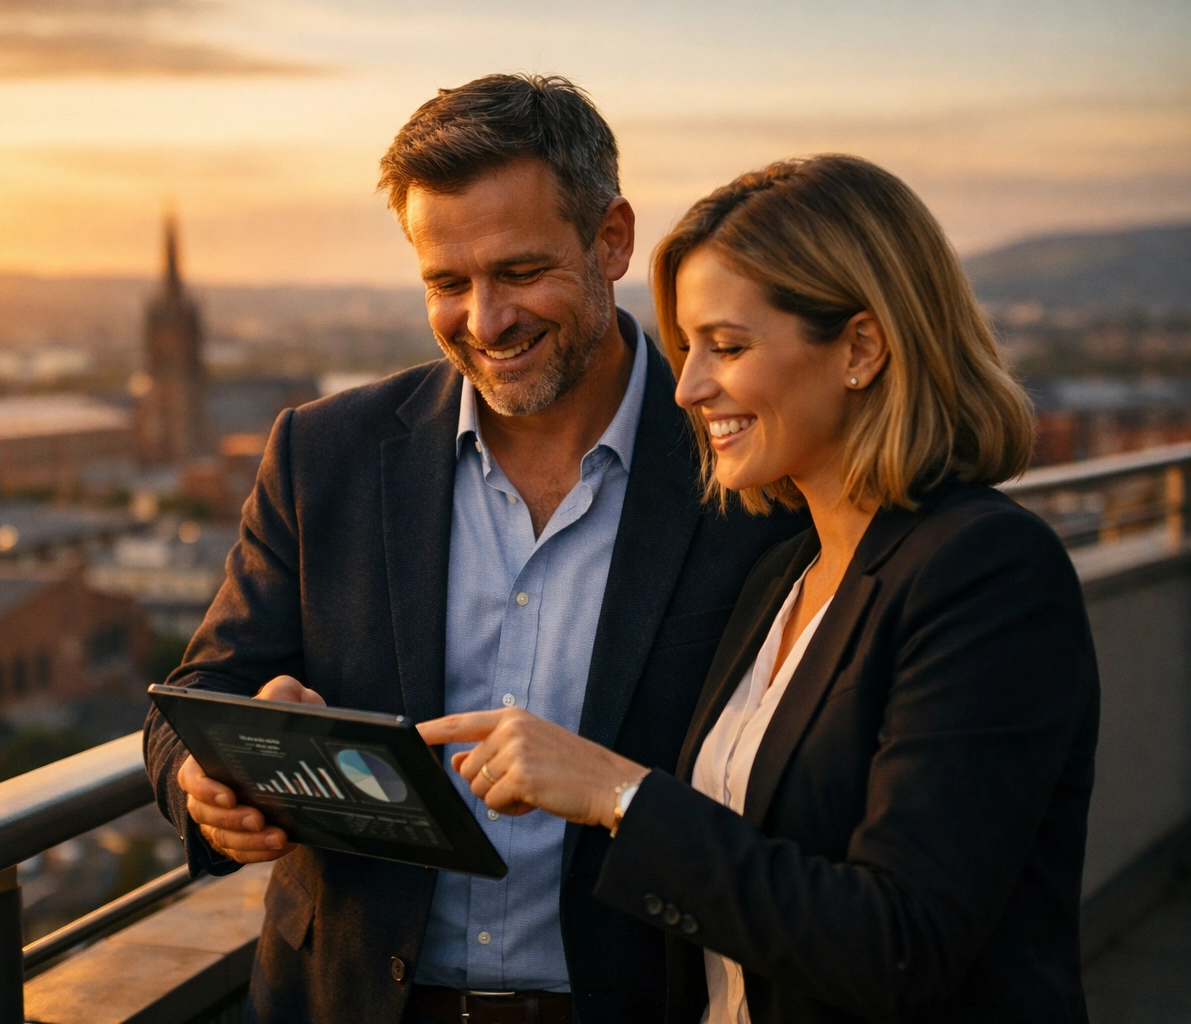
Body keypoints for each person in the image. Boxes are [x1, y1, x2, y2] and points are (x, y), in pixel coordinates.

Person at [142, 75, 803, 1024]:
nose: (485, 322)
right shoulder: (323, 454)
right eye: (447, 284)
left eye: (520, 272)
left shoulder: (748, 462)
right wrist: (205, 784)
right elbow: (194, 696)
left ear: (611, 240)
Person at [419, 155, 1100, 1023]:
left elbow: (901, 942)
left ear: (860, 347)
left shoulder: (989, 570)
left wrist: (619, 795)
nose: (693, 386)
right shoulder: (785, 571)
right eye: (687, 347)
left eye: (727, 347)